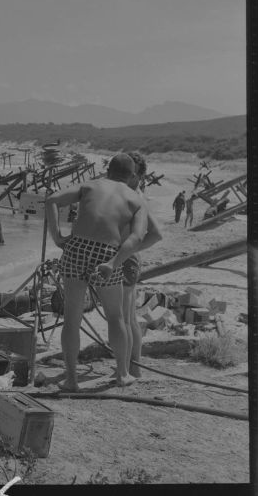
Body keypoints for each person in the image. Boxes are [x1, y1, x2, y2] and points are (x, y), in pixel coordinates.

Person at [46, 153, 147, 391]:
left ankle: (71, 380)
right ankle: (122, 374)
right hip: (107, 251)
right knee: (115, 316)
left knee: (72, 317)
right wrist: (114, 262)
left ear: (107, 170)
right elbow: (137, 237)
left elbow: (51, 199)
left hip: (77, 246)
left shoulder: (89, 185)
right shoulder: (136, 199)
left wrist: (57, 237)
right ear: (132, 176)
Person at [121, 152, 163, 378]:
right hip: (126, 260)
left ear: (138, 176)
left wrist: (126, 251)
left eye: (130, 172)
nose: (126, 175)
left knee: (125, 319)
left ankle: (131, 368)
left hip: (127, 262)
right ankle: (132, 367)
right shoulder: (130, 194)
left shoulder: (136, 197)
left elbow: (156, 234)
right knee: (127, 317)